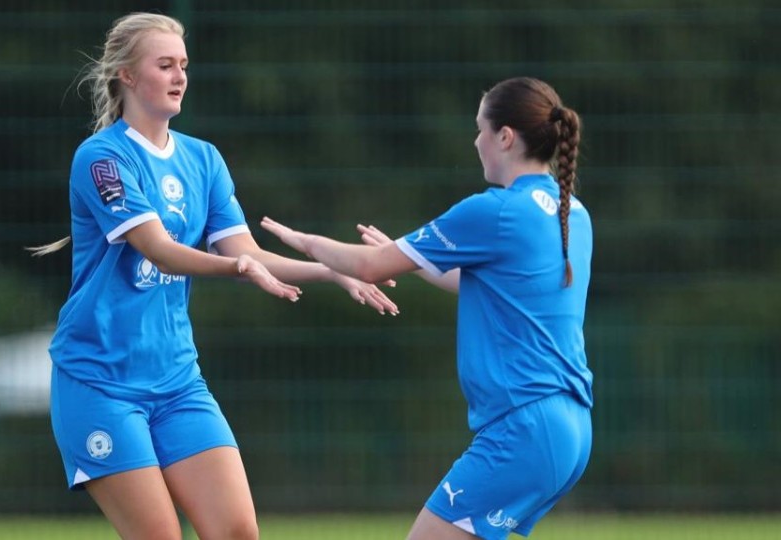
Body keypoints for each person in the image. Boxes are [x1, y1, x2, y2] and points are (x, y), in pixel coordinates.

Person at [29, 12, 399, 540]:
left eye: (183, 64)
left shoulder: (203, 159)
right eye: (164, 65)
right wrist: (236, 266)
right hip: (101, 383)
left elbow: (245, 251)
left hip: (178, 382)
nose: (179, 76)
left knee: (237, 532)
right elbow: (159, 250)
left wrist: (334, 270)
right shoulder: (102, 158)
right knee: (160, 536)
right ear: (127, 76)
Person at [261, 77, 592, 540]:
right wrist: (415, 260)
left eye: (480, 129)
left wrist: (307, 242)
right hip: (571, 425)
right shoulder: (570, 211)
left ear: (505, 136)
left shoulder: (495, 211)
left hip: (524, 425)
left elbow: (372, 267)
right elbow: (492, 287)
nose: (475, 141)